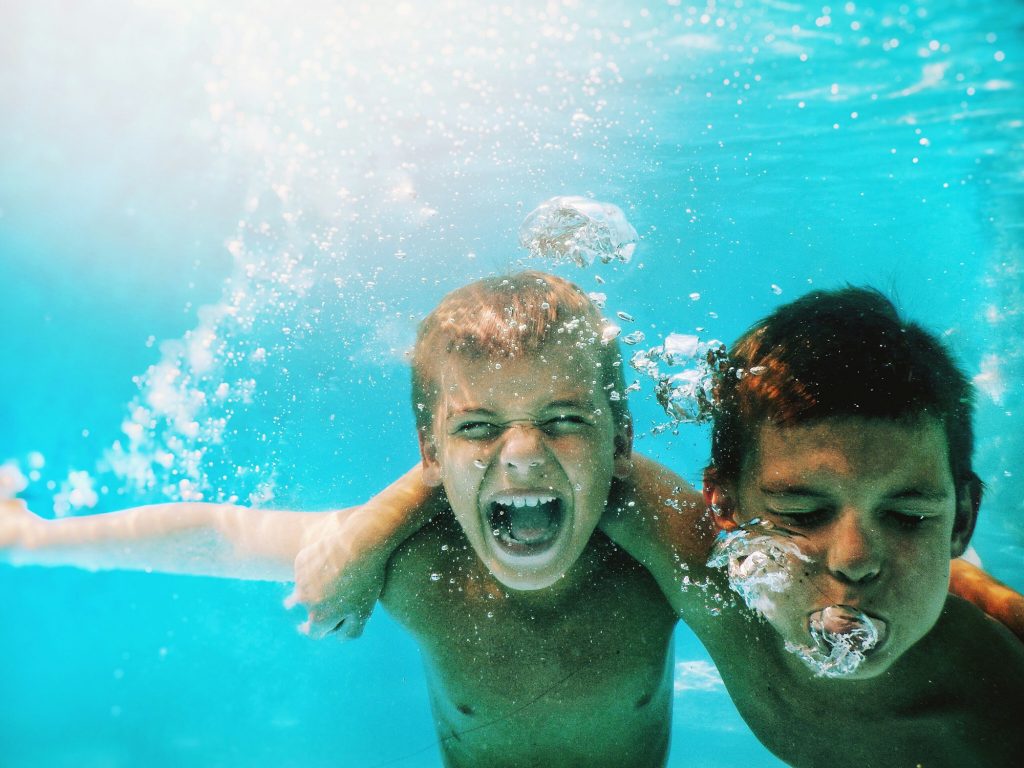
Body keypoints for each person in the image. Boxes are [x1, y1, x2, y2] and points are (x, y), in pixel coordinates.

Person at [2, 273, 1021, 768]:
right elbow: (227, 535)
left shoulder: (989, 708)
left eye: (910, 519)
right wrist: (33, 541)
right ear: (728, 509)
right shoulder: (690, 553)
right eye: (798, 510)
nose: (848, 562)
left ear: (959, 518)